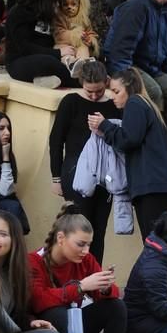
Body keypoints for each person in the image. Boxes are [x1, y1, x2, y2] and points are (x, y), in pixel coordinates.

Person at [29, 203, 134, 333]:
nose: (86, 251)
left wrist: (104, 288)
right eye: (80, 244)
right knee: (55, 313)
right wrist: (80, 287)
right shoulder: (33, 261)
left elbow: (110, 293)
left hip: (74, 332)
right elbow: (37, 300)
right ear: (61, 239)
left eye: (89, 245)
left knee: (116, 306)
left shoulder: (85, 260)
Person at [104, 0, 167, 173]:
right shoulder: (136, 6)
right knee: (154, 91)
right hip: (129, 65)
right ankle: (154, 149)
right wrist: (123, 79)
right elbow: (119, 51)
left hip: (154, 68)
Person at [87, 68, 167, 240]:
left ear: (129, 88)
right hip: (157, 184)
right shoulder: (146, 104)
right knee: (157, 242)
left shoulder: (135, 103)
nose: (113, 96)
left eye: (116, 91)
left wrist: (104, 125)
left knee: (154, 244)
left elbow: (128, 140)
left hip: (151, 184)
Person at [49, 60, 122, 263]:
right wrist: (56, 177)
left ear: (105, 83)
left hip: (105, 175)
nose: (93, 95)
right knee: (80, 228)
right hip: (76, 173)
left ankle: (94, 275)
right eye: (88, 90)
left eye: (98, 91)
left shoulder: (113, 105)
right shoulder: (71, 102)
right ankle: (77, 277)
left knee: (99, 230)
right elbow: (56, 141)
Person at [5, 0, 79, 88]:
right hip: (19, 62)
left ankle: (48, 79)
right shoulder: (18, 14)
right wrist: (58, 53)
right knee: (48, 62)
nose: (55, 4)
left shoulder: (47, 14)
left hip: (50, 54)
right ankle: (81, 81)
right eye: (53, 1)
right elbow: (25, 48)